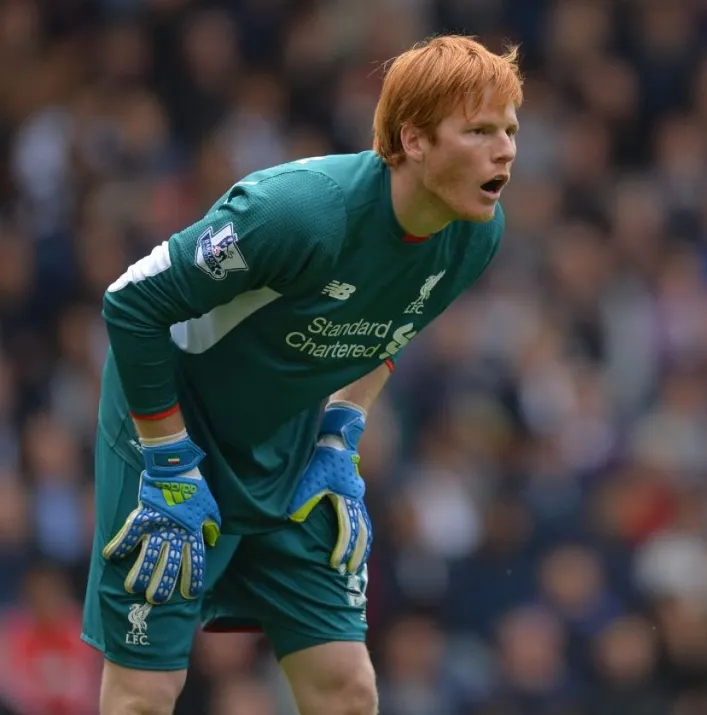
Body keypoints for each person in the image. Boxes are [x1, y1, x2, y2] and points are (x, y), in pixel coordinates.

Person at [80, 34, 523, 715]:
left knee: (347, 689)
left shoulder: (476, 233)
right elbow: (130, 302)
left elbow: (387, 330)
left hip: (291, 440)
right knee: (144, 691)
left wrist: (339, 436)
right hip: (170, 431)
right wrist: (167, 459)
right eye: (480, 130)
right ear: (413, 139)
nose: (506, 150)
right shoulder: (300, 212)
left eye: (511, 130)